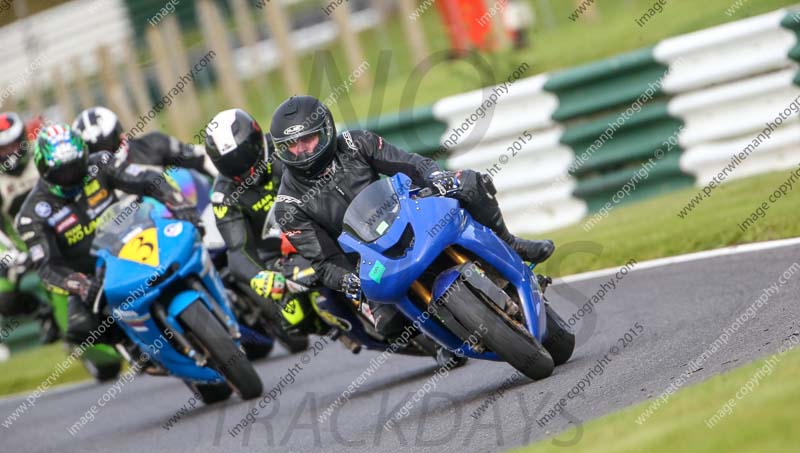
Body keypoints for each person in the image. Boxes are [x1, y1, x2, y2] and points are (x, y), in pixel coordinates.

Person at [271, 95, 554, 342]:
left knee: (469, 182)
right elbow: (325, 261)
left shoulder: (356, 143)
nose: (302, 150)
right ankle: (440, 339)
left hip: (408, 218)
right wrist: (348, 281)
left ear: (326, 130)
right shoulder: (288, 205)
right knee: (390, 326)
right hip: (368, 261)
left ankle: (509, 243)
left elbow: (412, 164)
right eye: (292, 145)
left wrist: (434, 179)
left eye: (308, 139)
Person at [16, 124, 198, 346]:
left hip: (132, 244)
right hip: (93, 277)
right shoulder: (31, 215)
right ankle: (132, 346)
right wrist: (79, 284)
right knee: (80, 326)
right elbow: (46, 267)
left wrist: (176, 201)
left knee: (189, 242)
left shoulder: (101, 162)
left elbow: (147, 179)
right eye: (62, 172)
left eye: (75, 167)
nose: (71, 176)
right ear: (44, 170)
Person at [204, 108, 313, 330]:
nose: (244, 168)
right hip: (278, 257)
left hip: (318, 225)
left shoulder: (285, 146)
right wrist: (259, 276)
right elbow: (237, 250)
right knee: (295, 319)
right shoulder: (223, 194)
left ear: (256, 140)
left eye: (244, 155)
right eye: (230, 163)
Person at [0, 111, 57, 345]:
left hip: (67, 228)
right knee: (3, 295)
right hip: (24, 248)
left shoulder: (45, 153)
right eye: (2, 149)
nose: (9, 153)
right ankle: (44, 313)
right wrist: (11, 255)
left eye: (12, 145)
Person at [72, 106, 217, 176]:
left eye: (108, 146)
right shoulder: (90, 183)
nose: (103, 155)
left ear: (122, 135)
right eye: (96, 151)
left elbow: (202, 158)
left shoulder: (155, 144)